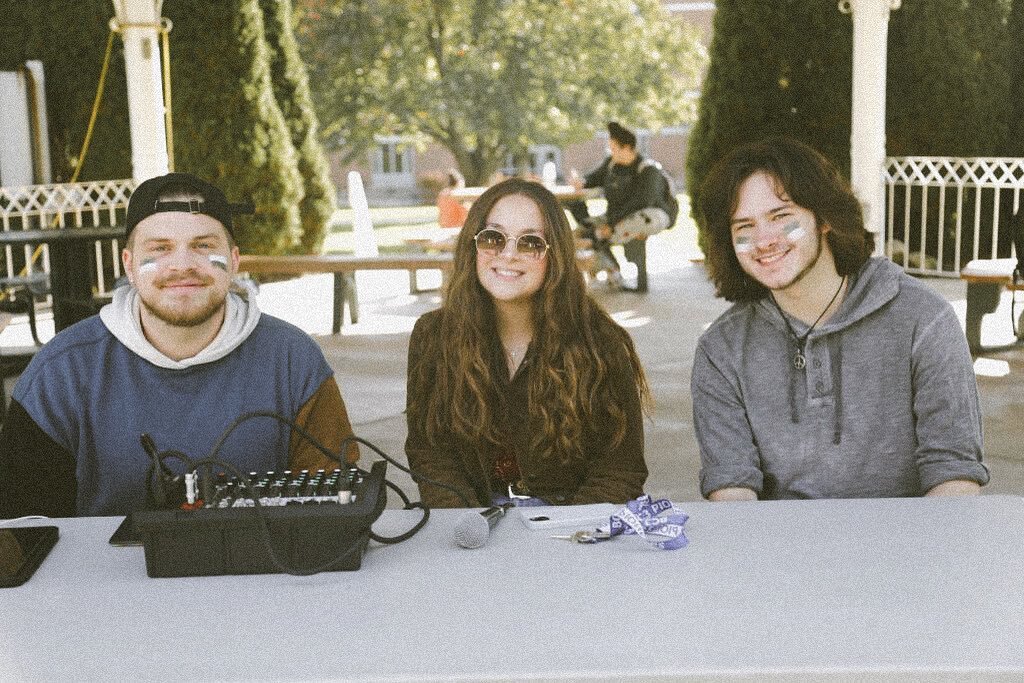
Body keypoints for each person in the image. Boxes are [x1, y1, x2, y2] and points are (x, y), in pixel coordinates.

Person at [0, 172, 358, 518]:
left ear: (233, 260)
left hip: (267, 570)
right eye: (160, 248)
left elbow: (335, 503)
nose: (183, 265)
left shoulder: (293, 360)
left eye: (203, 246)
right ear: (130, 265)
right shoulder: (61, 372)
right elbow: (26, 526)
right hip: (104, 576)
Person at [691, 137, 989, 501]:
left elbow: (955, 476)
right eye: (744, 228)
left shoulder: (923, 320)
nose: (763, 240)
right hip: (777, 551)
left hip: (908, 549)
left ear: (824, 219)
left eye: (781, 217)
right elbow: (731, 490)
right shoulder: (720, 350)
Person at [405, 178, 650, 507]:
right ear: (473, 245)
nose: (508, 255)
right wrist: (464, 525)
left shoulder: (602, 343)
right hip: (471, 524)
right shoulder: (433, 336)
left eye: (530, 243)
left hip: (573, 525)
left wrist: (568, 538)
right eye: (493, 238)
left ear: (555, 256)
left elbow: (620, 469)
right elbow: (430, 455)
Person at [568, 121, 677, 293]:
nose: (611, 152)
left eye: (614, 148)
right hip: (616, 219)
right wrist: (581, 182)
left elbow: (641, 202)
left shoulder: (648, 170)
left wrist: (610, 225)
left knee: (638, 221)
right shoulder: (611, 165)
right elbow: (591, 179)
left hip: (648, 217)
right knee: (578, 234)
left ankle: (598, 237)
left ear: (627, 148)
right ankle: (611, 268)